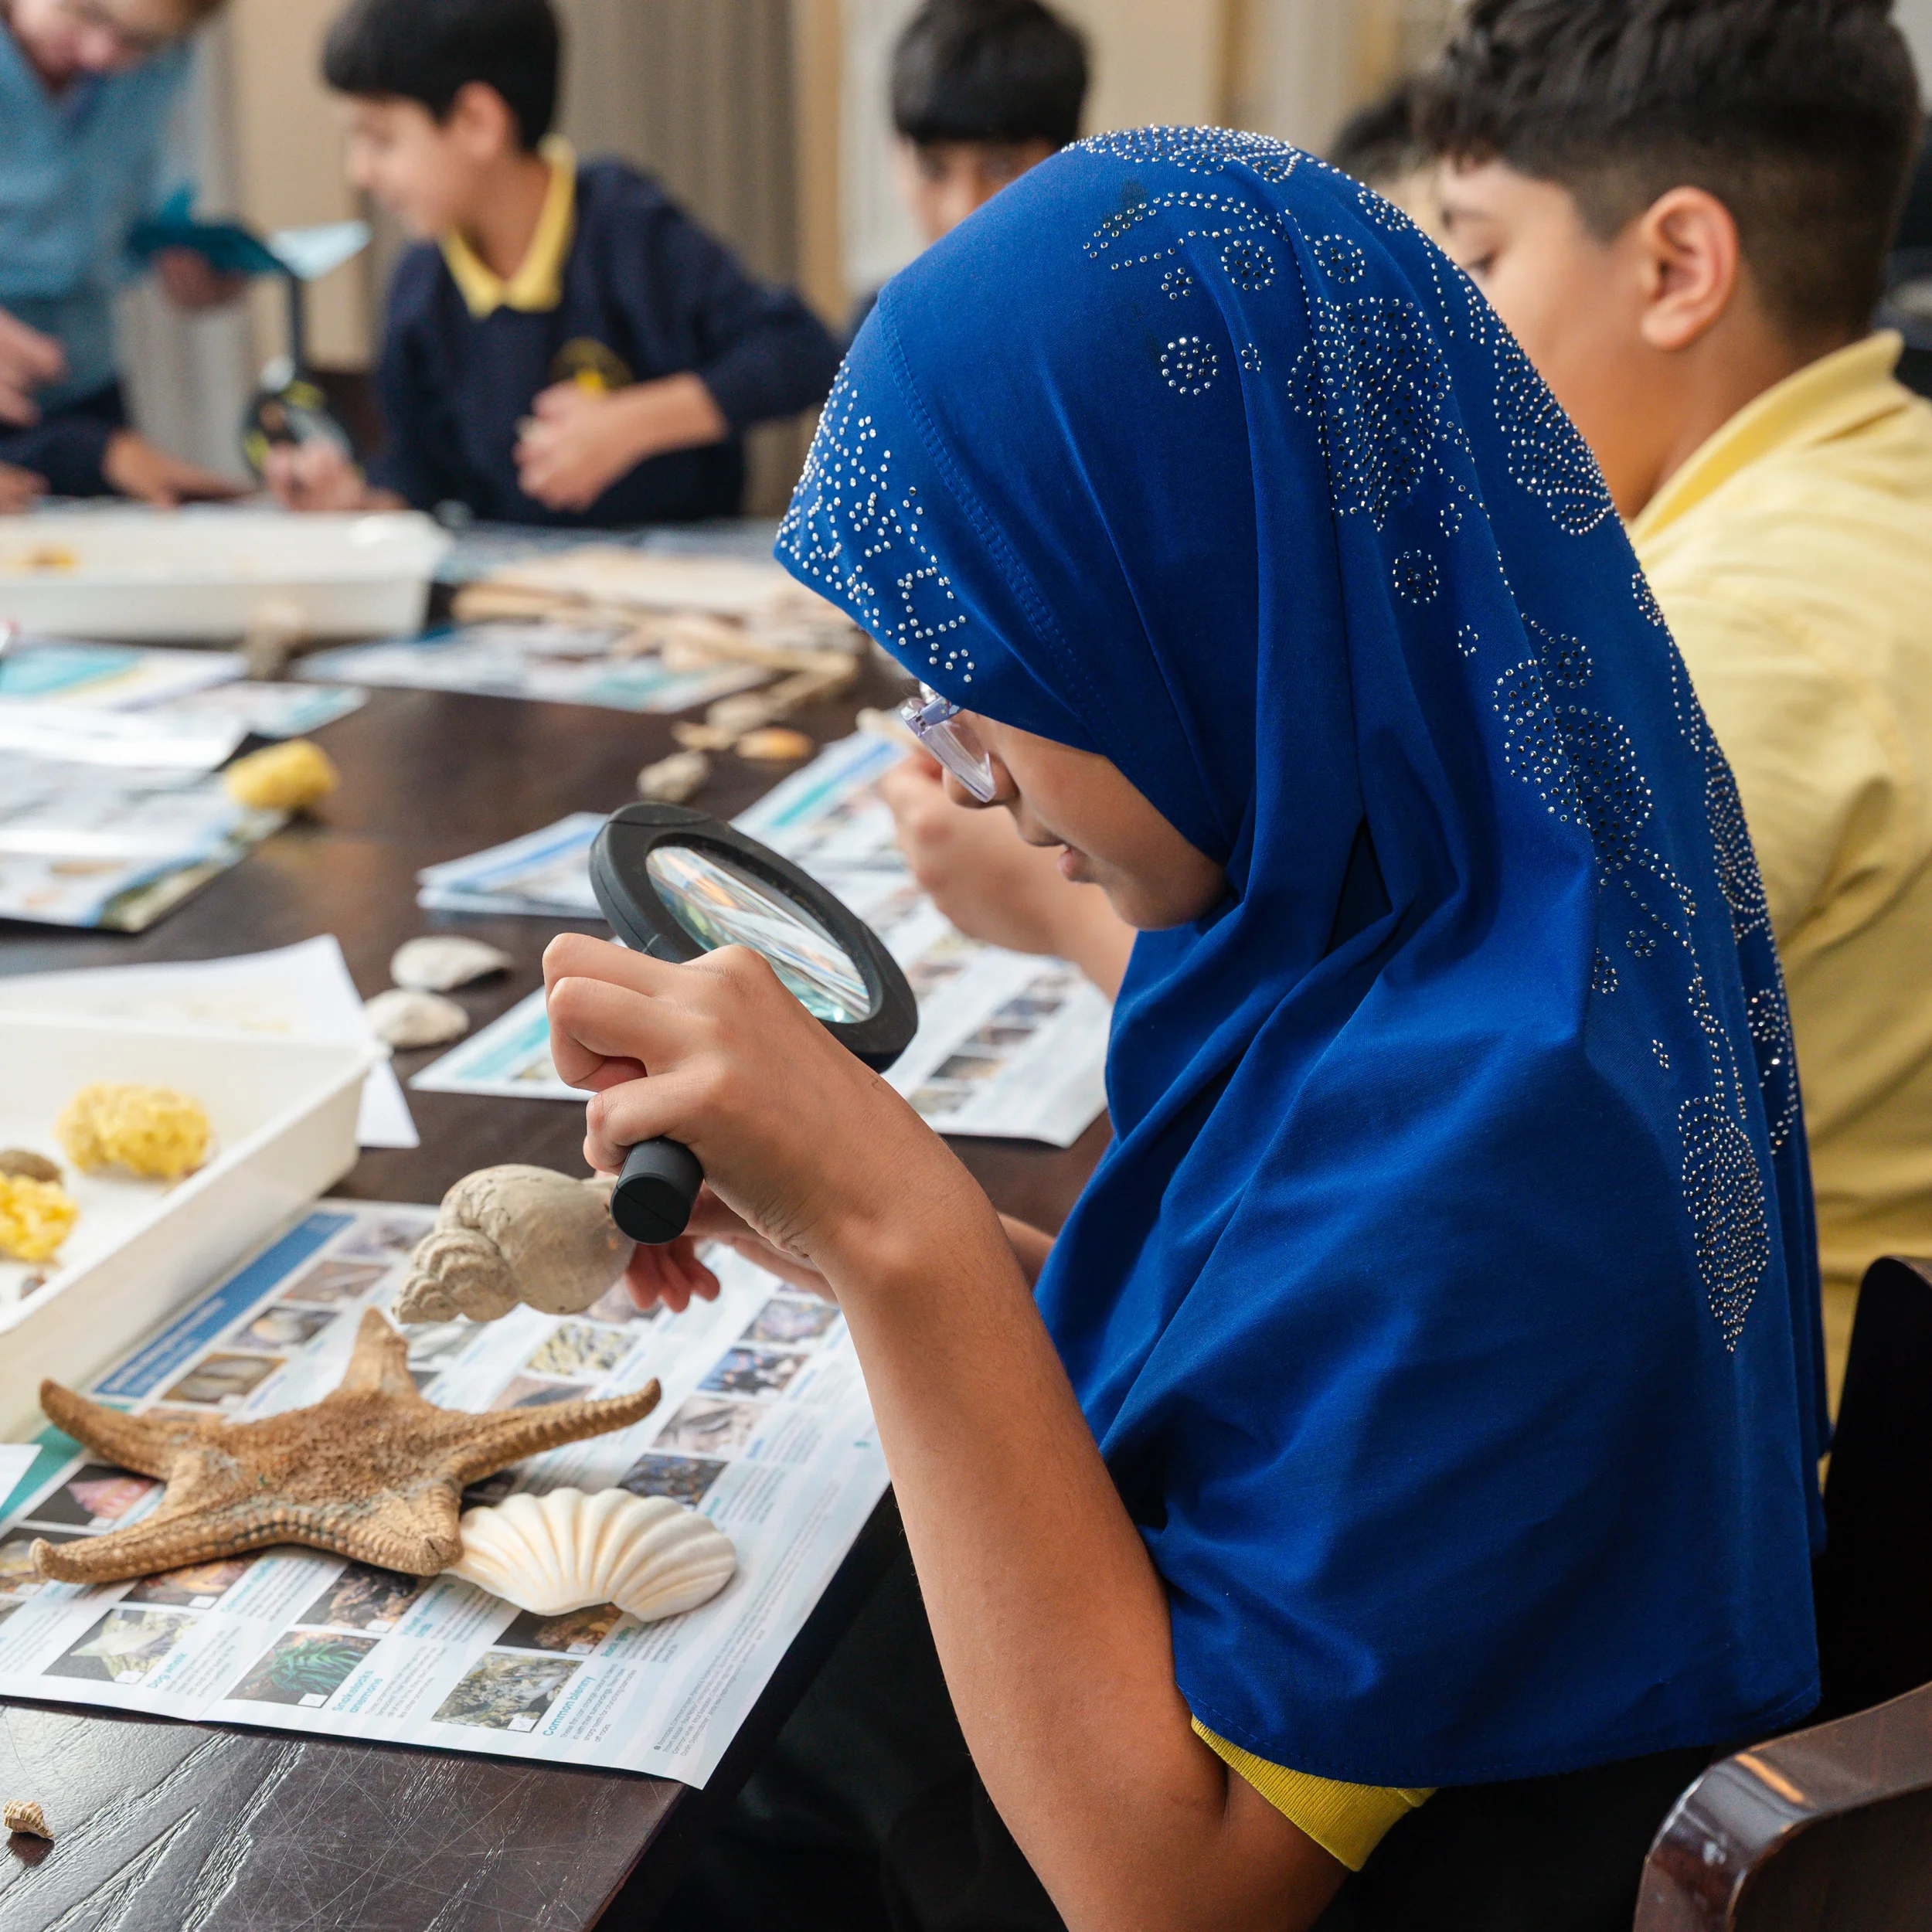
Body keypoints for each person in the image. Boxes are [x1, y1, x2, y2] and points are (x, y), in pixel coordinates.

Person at [549, 129, 1826, 1931]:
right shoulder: (1395, 913)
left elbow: (1167, 1891)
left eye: (982, 688)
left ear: (1196, 610)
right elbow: (1278, 1364)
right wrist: (849, 1236)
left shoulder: (1515, 1135)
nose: (962, 777)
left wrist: (904, 1233)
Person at [1414, 0, 1931, 1404]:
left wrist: (1068, 921)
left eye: (1478, 259)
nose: (1443, 338)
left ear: (1678, 267)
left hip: (1757, 1461)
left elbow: (1441, 1182)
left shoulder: (1726, 640)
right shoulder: (1888, 483)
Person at [267, 0, 844, 526]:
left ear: (478, 122)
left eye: (381, 139)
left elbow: (804, 352)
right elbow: (418, 481)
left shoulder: (626, 227)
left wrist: (634, 423)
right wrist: (355, 505)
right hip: (516, 594)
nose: (360, 173)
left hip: (679, 578)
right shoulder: (419, 288)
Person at [0, 0, 245, 504]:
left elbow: (129, 198)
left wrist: (180, 252)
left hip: (84, 384)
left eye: (140, 42)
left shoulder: (162, 65)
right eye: (88, 13)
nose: (99, 54)